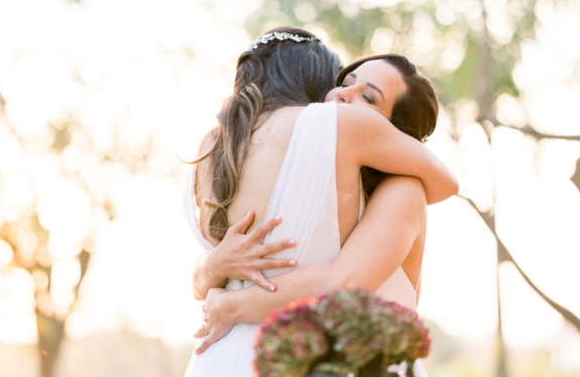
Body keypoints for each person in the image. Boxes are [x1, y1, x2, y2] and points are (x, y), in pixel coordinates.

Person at [183, 27, 457, 376]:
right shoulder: (312, 170)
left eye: (368, 98)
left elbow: (343, 284)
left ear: (396, 133)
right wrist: (211, 267)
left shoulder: (402, 191)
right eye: (346, 82)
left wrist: (229, 304)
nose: (344, 96)